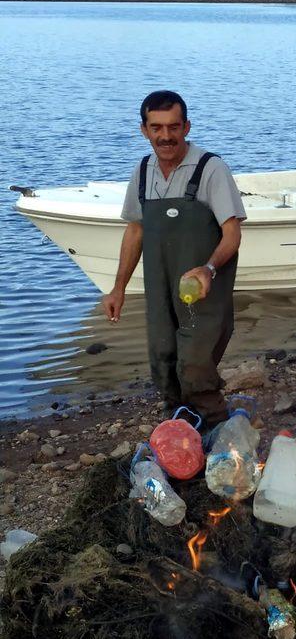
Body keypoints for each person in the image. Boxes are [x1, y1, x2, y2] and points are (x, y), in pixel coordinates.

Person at [102, 90, 246, 426]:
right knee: (164, 364)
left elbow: (233, 233)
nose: (165, 136)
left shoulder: (211, 169)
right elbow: (135, 231)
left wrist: (209, 268)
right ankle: (180, 435)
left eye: (173, 127)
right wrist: (118, 288)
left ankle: (218, 436)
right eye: (157, 127)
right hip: (161, 293)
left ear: (186, 127)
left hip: (204, 297)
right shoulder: (142, 170)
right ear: (144, 130)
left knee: (196, 366)